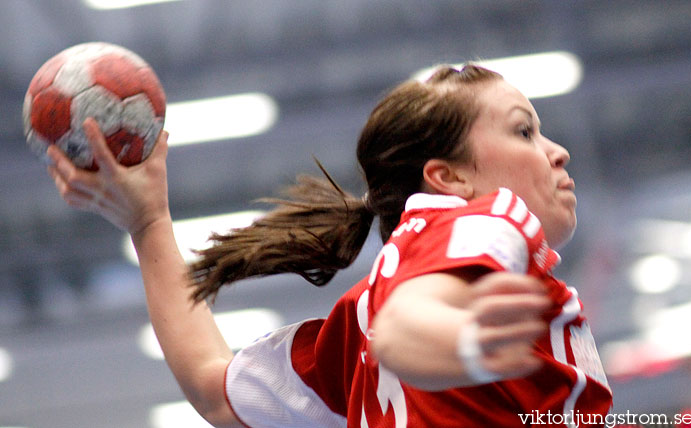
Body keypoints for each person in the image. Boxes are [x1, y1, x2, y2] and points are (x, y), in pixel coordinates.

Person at [47, 64, 613, 427]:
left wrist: (149, 224)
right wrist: (463, 343)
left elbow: (213, 387)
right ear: (449, 179)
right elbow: (405, 329)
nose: (557, 150)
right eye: (523, 131)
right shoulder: (489, 219)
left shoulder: (355, 326)